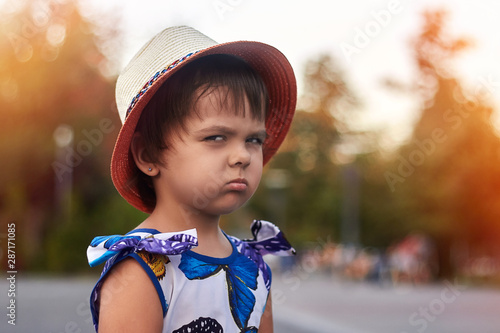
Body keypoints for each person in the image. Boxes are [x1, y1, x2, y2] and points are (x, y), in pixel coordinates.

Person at [86, 25, 297, 333]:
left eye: (254, 140)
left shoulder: (254, 266)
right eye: (216, 137)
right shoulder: (142, 270)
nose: (243, 156)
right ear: (148, 155)